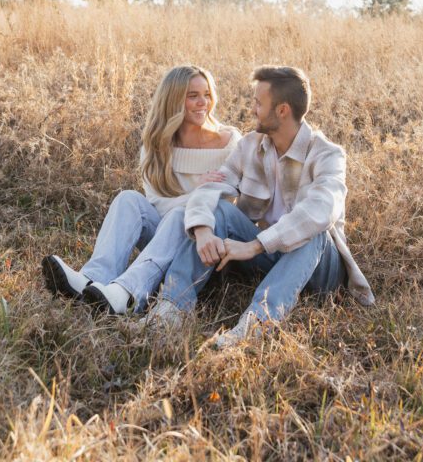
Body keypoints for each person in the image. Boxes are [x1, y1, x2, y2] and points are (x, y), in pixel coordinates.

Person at [147, 66, 374, 347]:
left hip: (319, 269)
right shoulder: (250, 145)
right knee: (219, 210)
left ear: (281, 110)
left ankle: (255, 325)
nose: (251, 109)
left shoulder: (328, 154)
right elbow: (213, 188)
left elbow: (320, 211)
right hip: (270, 254)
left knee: (311, 229)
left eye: (257, 103)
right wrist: (203, 229)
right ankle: (171, 310)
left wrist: (254, 246)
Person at [41, 65, 241, 313]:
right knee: (128, 199)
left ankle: (126, 295)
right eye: (193, 95)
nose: (203, 102)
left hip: (204, 246)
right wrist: (195, 193)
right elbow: (157, 203)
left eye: (207, 94)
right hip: (164, 235)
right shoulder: (157, 144)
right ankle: (91, 279)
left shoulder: (230, 141)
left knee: (181, 215)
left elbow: (230, 204)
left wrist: (195, 202)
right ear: (174, 100)